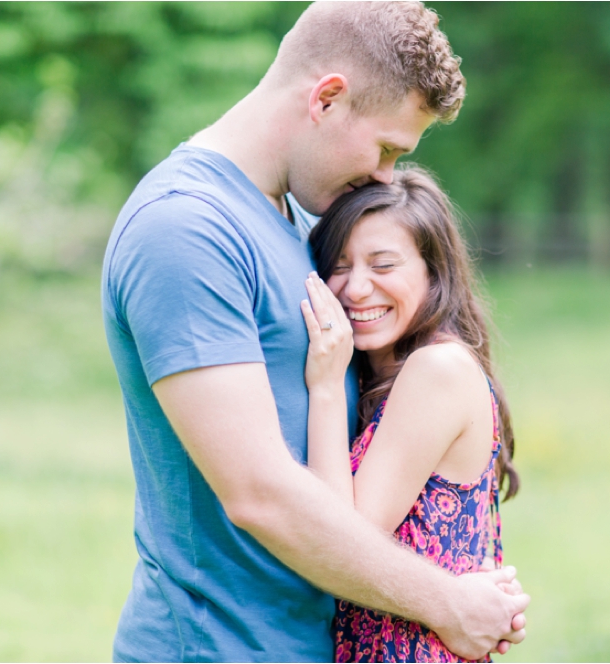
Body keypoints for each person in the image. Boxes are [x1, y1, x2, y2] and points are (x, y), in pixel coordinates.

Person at [101, 2, 528, 662]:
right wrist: (447, 602)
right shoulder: (184, 229)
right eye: (387, 148)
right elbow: (260, 493)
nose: (388, 178)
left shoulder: (295, 225)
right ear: (327, 99)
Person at [300, 165, 520, 663]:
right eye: (339, 264)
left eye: (383, 266)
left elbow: (343, 541)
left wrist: (326, 386)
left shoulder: (436, 369)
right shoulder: (386, 378)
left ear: (432, 272)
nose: (356, 288)